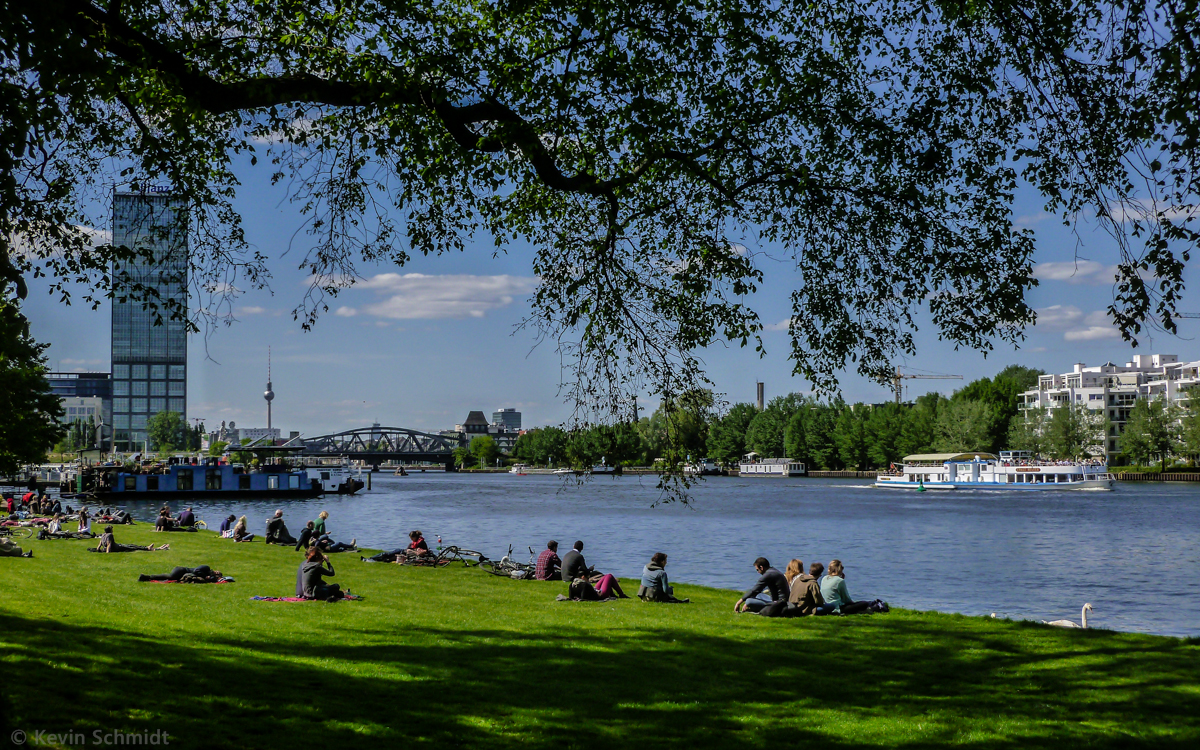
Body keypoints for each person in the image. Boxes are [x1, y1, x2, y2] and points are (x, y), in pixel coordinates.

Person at [91, 525, 160, 553]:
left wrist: (98, 549)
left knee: (131, 545)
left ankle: (146, 548)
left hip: (115, 547)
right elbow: (109, 544)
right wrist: (107, 552)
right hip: (116, 548)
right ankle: (147, 548)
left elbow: (100, 543)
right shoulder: (110, 535)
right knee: (132, 547)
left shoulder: (103, 535)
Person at [138, 565, 222, 583]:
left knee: (169, 579)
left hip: (183, 574)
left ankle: (147, 578)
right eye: (217, 572)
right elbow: (196, 570)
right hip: (181, 570)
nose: (216, 573)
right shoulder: (206, 568)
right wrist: (205, 576)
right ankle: (146, 577)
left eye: (217, 574)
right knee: (170, 577)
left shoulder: (208, 575)